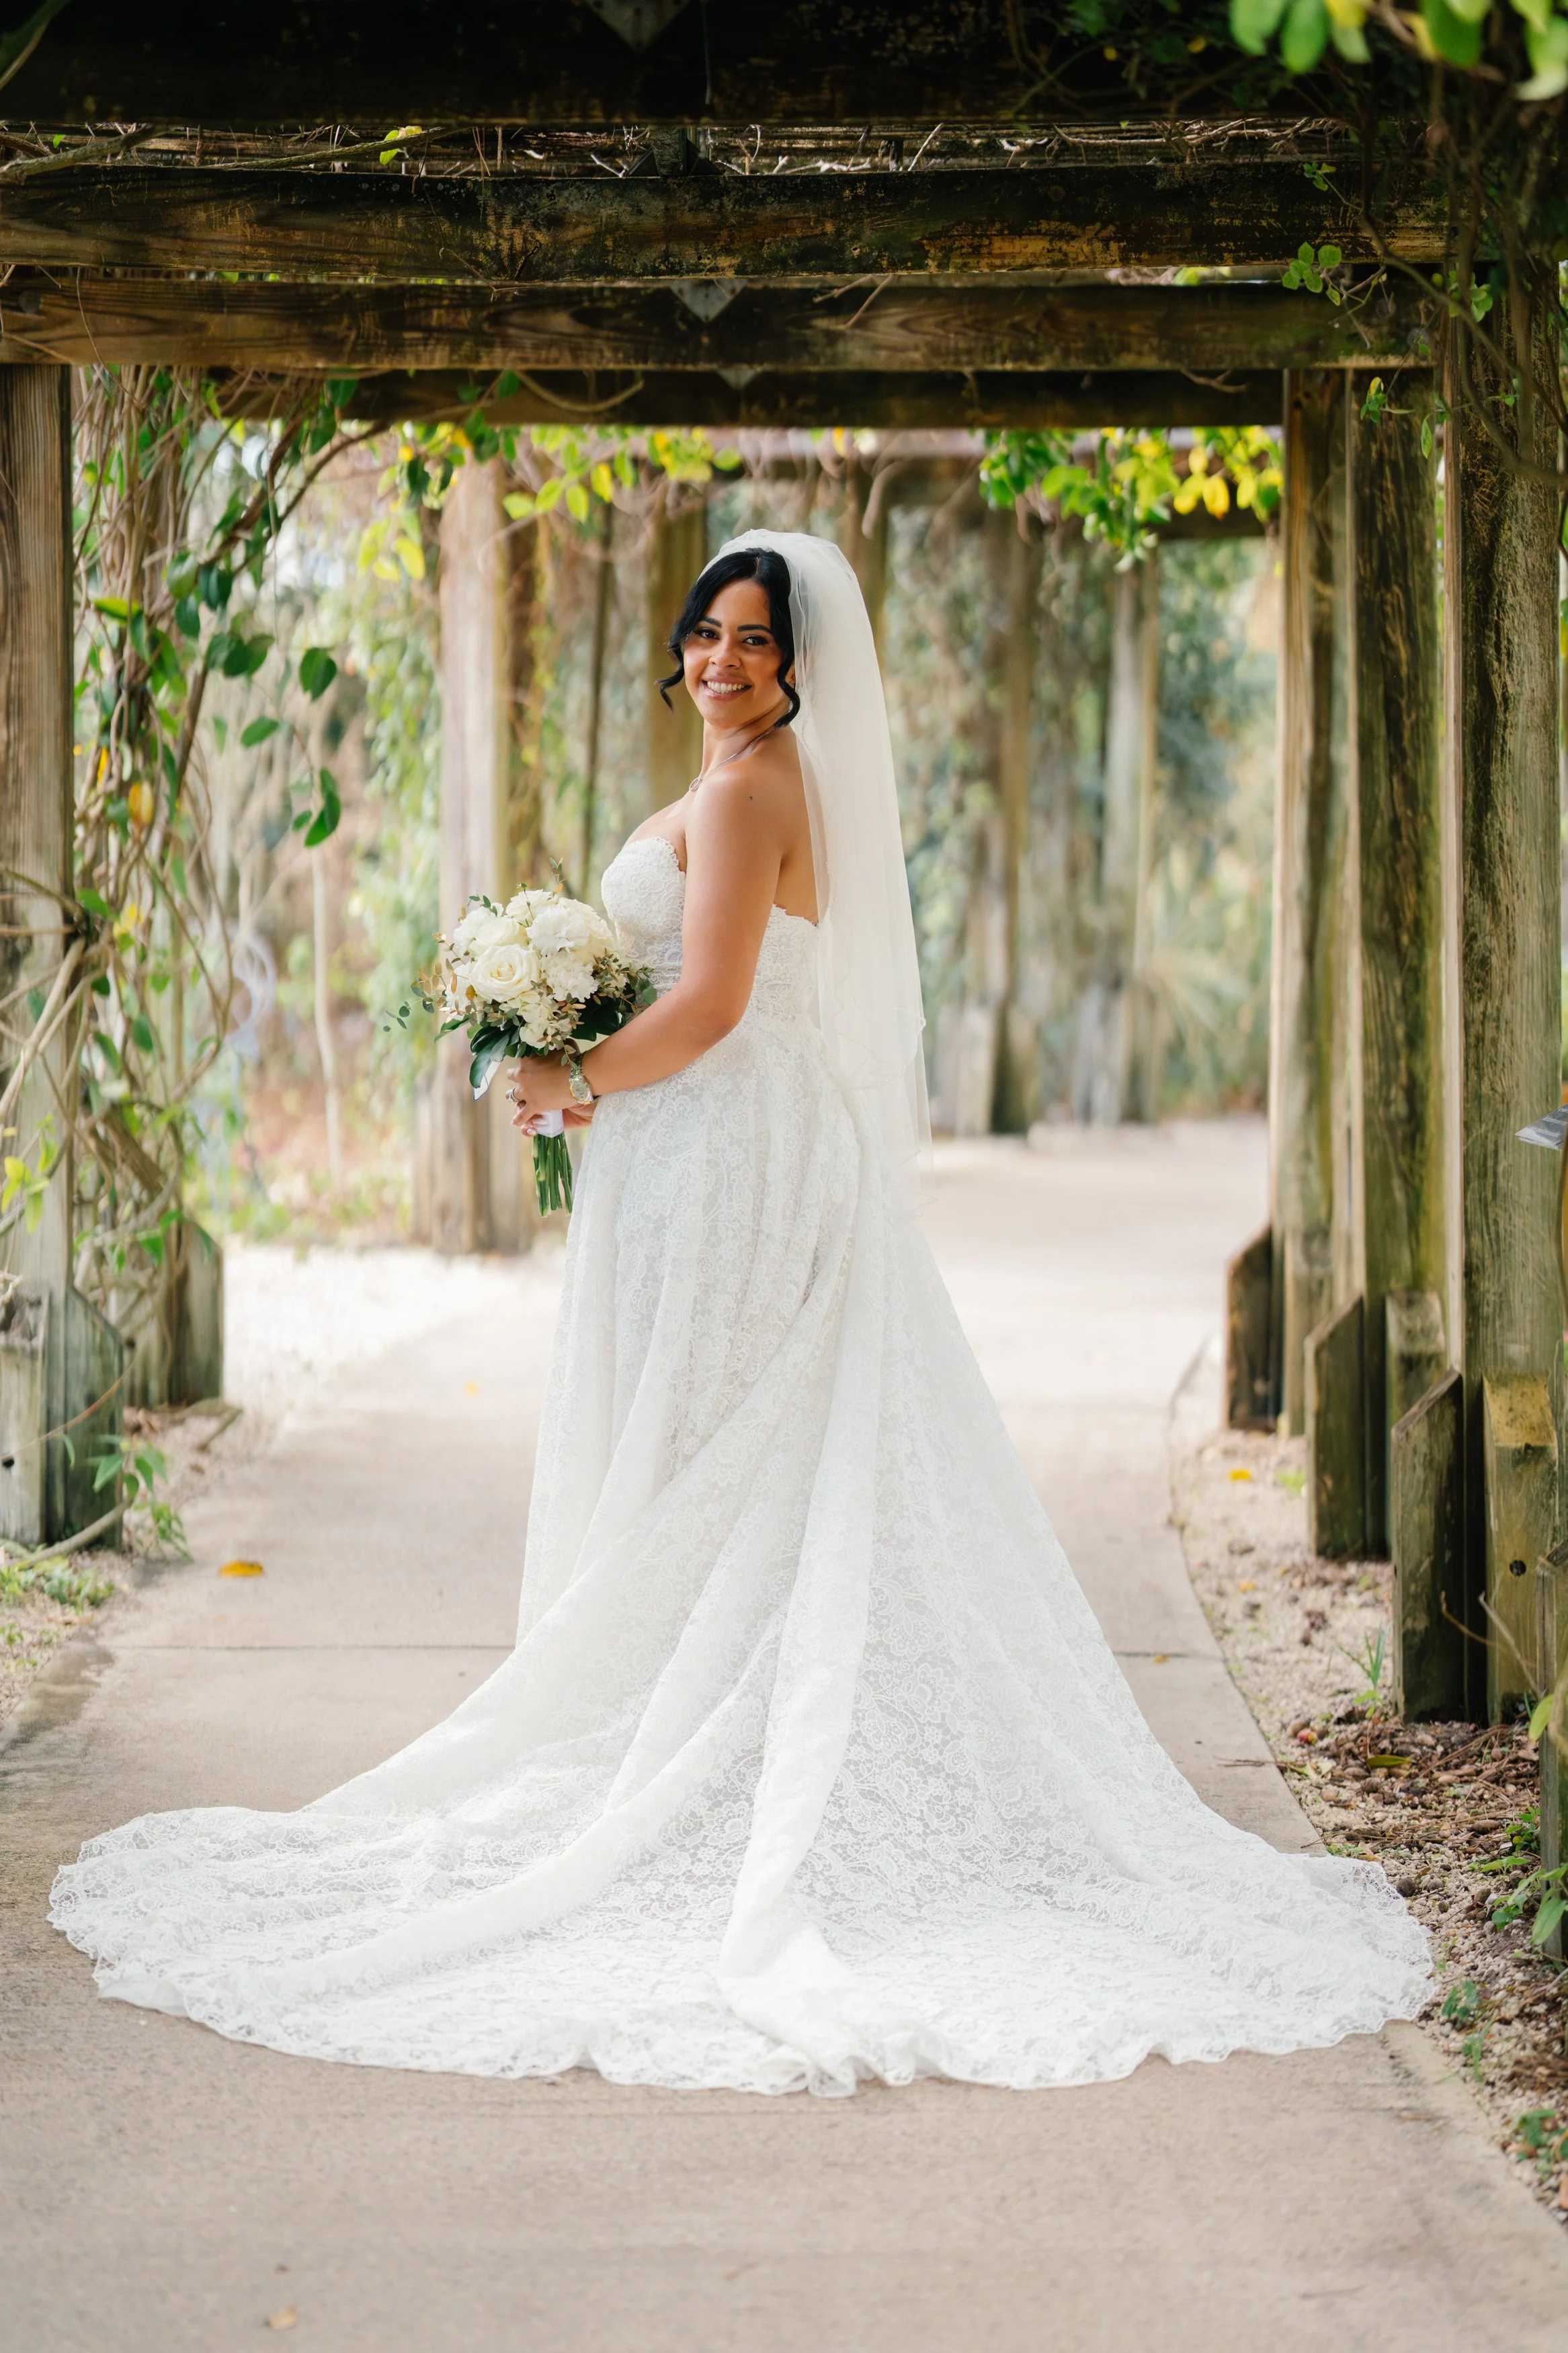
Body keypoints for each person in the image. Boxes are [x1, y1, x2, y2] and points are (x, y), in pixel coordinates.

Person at [52, 531, 1429, 2094]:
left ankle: (706, 1767)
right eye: (707, 633)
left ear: (795, 666)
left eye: (754, 642)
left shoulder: (746, 787)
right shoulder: (768, 780)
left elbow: (705, 1008)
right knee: (735, 1459)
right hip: (733, 1148)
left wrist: (569, 1070)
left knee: (719, 1454)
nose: (723, 660)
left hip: (729, 1163)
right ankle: (709, 1719)